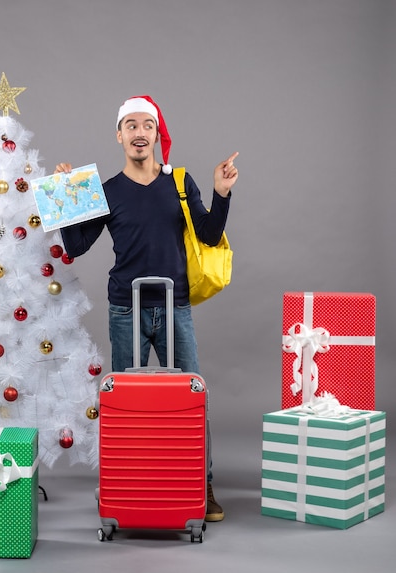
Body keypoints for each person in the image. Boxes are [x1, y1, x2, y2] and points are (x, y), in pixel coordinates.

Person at [56, 95, 238, 522]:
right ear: (119, 135)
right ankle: (127, 483)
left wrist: (222, 193)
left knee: (192, 401)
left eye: (147, 126)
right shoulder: (107, 191)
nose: (140, 133)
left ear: (157, 134)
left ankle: (200, 484)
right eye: (131, 125)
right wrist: (68, 198)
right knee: (128, 404)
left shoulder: (179, 182)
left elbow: (209, 236)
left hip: (174, 307)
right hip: (125, 310)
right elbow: (76, 247)